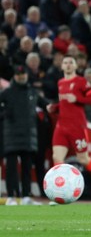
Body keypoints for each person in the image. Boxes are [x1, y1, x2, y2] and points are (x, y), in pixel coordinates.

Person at [46, 55, 91, 202]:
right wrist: (54, 107)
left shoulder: (81, 82)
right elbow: (65, 103)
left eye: (70, 63)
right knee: (57, 158)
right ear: (61, 66)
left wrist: (78, 98)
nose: (67, 65)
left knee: (83, 159)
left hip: (77, 126)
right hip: (61, 125)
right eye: (65, 62)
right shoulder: (60, 83)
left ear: (75, 66)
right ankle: (59, 193)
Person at [0, 65, 49, 205]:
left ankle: (26, 196)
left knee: (27, 168)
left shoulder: (33, 92)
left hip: (28, 136)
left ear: (26, 75)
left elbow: (47, 105)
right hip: (11, 136)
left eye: (23, 74)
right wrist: (3, 114)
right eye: (18, 74)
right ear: (15, 76)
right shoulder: (7, 93)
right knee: (11, 168)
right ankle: (11, 196)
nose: (21, 77)